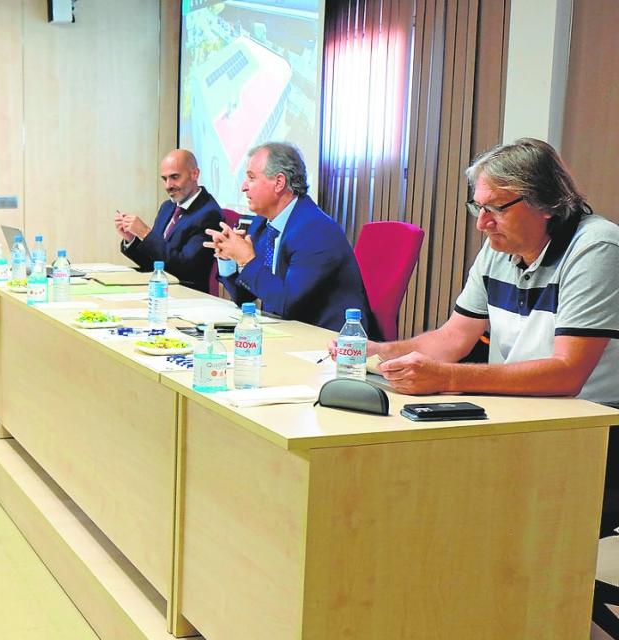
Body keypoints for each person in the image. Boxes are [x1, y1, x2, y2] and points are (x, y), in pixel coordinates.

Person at [335, 137, 619, 522]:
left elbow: (568, 373)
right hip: (525, 412)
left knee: (458, 497)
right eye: (478, 207)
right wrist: (380, 351)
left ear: (546, 204)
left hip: (593, 427)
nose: (482, 223)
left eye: (496, 208)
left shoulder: (596, 248)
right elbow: (453, 337)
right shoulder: (499, 248)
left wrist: (448, 377)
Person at [205, 142, 374, 335]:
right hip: (287, 332)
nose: (243, 187)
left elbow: (286, 304)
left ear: (279, 182)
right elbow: (244, 297)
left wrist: (247, 259)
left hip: (328, 339)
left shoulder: (316, 230)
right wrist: (227, 258)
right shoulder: (262, 223)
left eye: (251, 178)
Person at [115, 149, 224, 292]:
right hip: (160, 288)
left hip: (186, 293)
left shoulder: (209, 214)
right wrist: (132, 239)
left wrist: (146, 233)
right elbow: (154, 262)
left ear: (194, 174)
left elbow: (185, 269)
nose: (168, 185)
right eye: (164, 179)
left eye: (174, 177)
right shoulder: (168, 207)